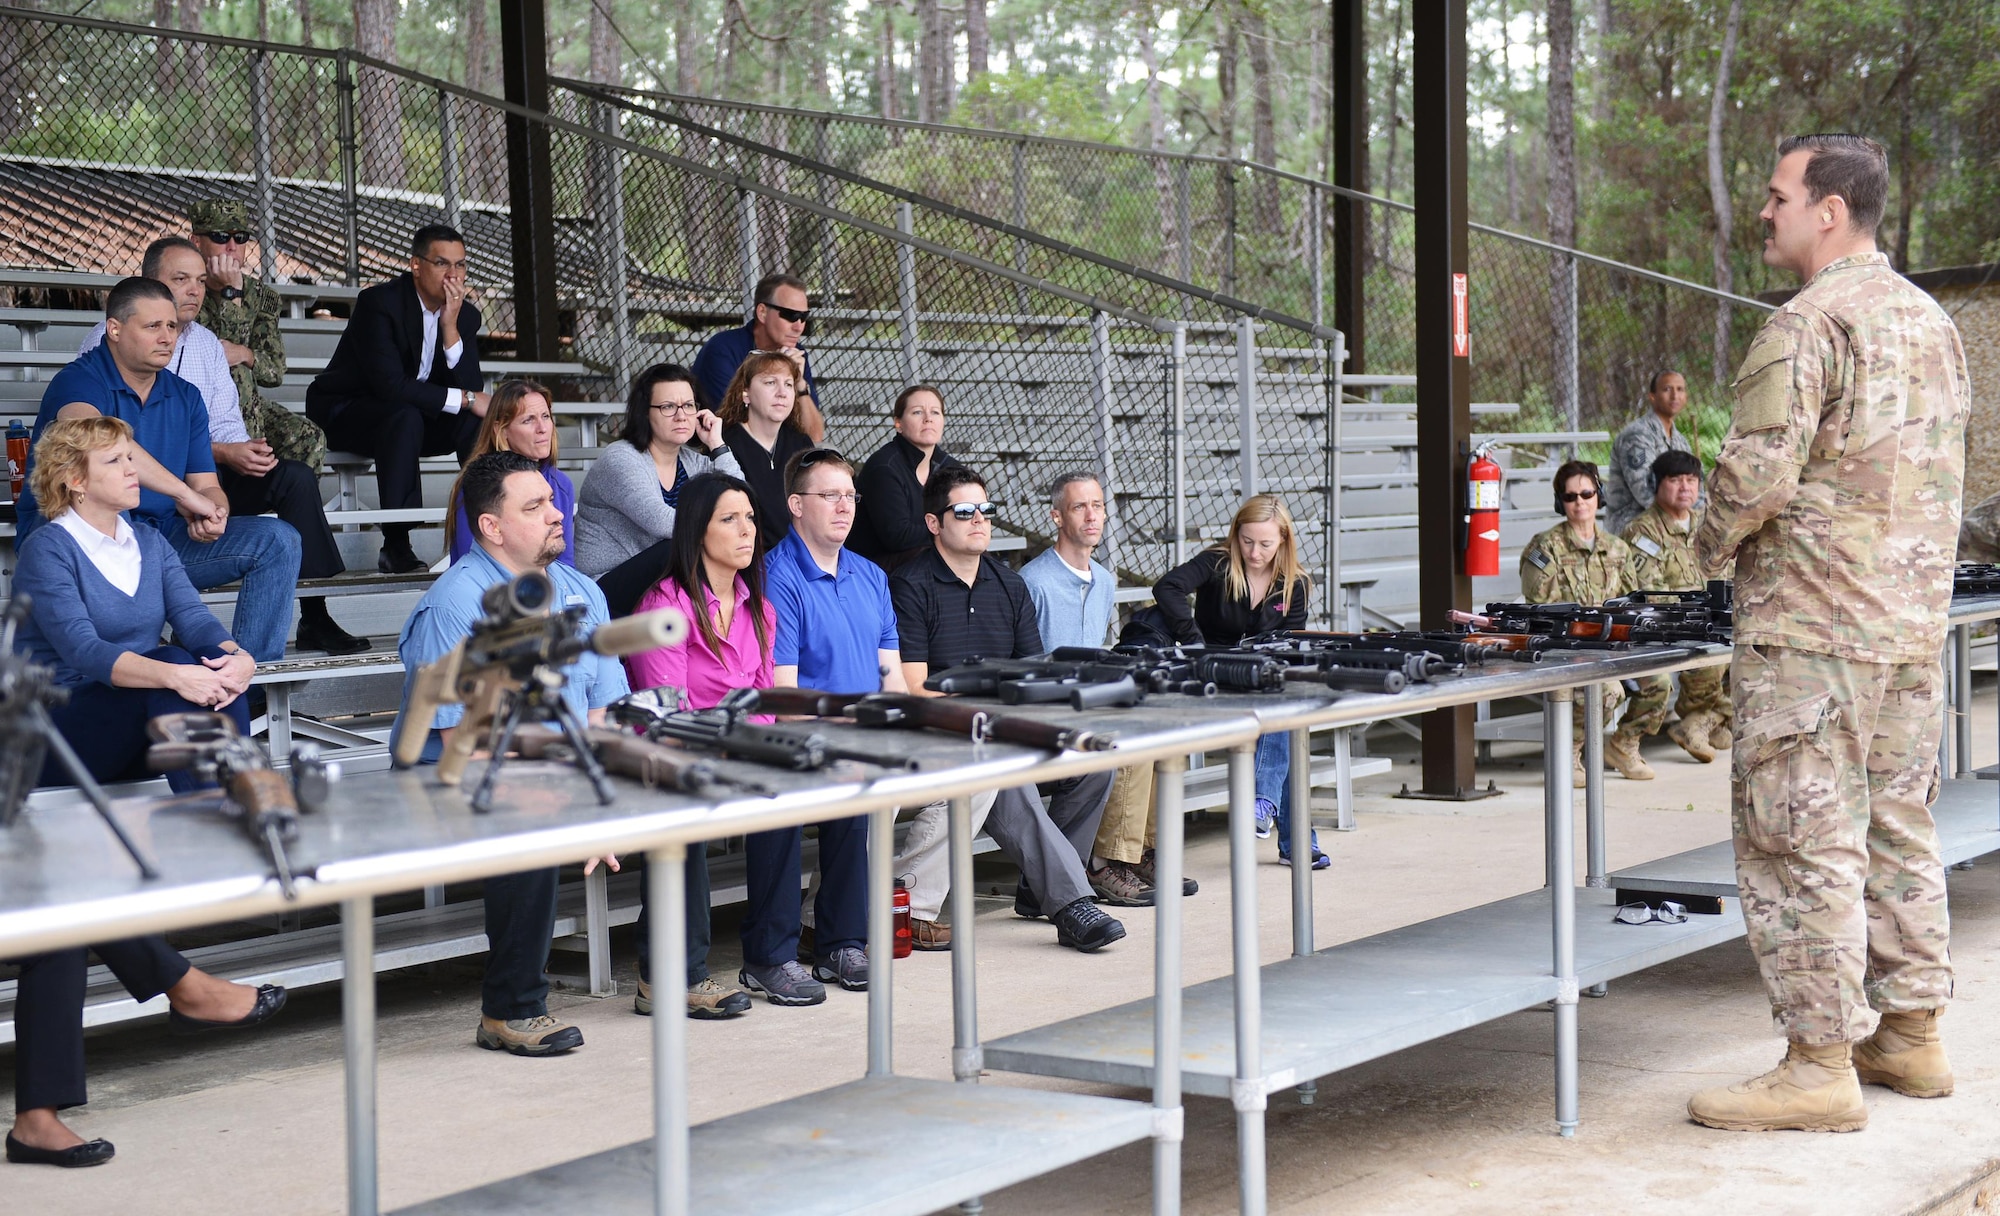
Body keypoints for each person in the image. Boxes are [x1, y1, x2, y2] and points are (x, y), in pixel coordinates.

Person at [1687, 134, 1966, 1134]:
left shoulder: (1806, 323)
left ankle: (1816, 1062)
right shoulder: (1930, 324)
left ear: (1828, 211)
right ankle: (1910, 1034)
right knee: (1895, 823)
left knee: (1797, 838)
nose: (1762, 212)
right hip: (1905, 629)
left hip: (1809, 631)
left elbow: (1755, 474)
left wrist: (1698, 552)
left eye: (1775, 196)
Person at [7, 416, 285, 1169]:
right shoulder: (47, 548)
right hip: (54, 732)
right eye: (118, 461)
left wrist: (234, 661)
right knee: (168, 675)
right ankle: (225, 813)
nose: (137, 471)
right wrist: (178, 670)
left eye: (132, 457)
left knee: (198, 672)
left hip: (128, 718)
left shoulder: (149, 542)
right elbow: (87, 655)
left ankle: (220, 809)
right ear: (75, 478)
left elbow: (195, 621)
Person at [393, 451, 628, 1056]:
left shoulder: (580, 590)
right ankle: (510, 1009)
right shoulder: (458, 602)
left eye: (552, 501)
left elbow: (600, 711)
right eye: (535, 507)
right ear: (491, 527)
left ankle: (675, 978)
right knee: (532, 818)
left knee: (676, 807)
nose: (556, 515)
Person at [79, 237, 364, 654]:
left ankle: (314, 613)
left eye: (199, 280)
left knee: (294, 478)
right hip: (136, 497)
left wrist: (241, 453)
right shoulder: (108, 345)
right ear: (147, 283)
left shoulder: (207, 345)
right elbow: (107, 443)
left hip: (203, 476)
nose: (194, 290)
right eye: (180, 279)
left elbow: (227, 421)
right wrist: (209, 467)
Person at [890, 465, 1126, 952]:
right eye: (964, 511)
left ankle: (1043, 887)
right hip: (941, 736)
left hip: (1005, 730)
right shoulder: (910, 584)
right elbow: (915, 689)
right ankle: (1069, 902)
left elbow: (1031, 676)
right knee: (1002, 776)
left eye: (986, 510)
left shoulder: (1008, 584)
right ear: (935, 523)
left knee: (1095, 766)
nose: (979, 519)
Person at [12, 277, 302, 665]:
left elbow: (207, 484)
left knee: (277, 540)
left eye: (172, 326)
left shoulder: (185, 395)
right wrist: (184, 496)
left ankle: (249, 682)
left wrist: (214, 513)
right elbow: (101, 442)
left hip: (158, 543)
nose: (167, 337)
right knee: (120, 519)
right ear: (114, 329)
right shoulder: (79, 379)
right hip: (80, 544)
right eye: (152, 326)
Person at [624, 473, 814, 1010]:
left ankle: (772, 958)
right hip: (671, 754)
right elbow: (668, 711)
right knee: (684, 819)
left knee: (788, 797)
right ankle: (670, 976)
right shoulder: (665, 606)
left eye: (750, 517)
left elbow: (761, 702)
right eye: (729, 519)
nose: (746, 529)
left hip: (733, 752)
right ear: (696, 531)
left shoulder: (760, 607)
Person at [1019, 472, 1188, 907]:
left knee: (1162, 729)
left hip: (1088, 696)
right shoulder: (1034, 581)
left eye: (1098, 505)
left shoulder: (1105, 578)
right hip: (1050, 706)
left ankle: (1140, 852)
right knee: (1120, 739)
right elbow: (1027, 660)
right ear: (1057, 516)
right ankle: (1105, 861)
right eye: (1080, 506)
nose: (1092, 515)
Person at [764, 447, 890, 985]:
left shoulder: (870, 574)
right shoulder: (778, 576)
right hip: (796, 740)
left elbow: (892, 677)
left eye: (850, 495)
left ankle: (841, 943)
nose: (845, 506)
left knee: (860, 785)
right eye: (829, 495)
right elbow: (784, 696)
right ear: (796, 504)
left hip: (857, 739)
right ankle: (771, 956)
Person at [306, 223, 490, 575]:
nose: (454, 275)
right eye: (442, 264)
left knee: (473, 419)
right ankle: (396, 543)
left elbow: (473, 388)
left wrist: (450, 328)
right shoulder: (379, 303)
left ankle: (482, 527)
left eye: (461, 265)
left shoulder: (465, 315)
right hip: (348, 410)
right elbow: (390, 385)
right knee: (406, 414)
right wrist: (466, 398)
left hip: (411, 417)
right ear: (416, 265)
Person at [1153, 494, 1323, 867]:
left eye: (1265, 543)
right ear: (1236, 535)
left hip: (1262, 675)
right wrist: (1194, 640)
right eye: (1247, 541)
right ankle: (1290, 834)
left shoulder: (1295, 582)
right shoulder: (1217, 561)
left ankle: (1266, 811)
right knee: (1285, 716)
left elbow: (1291, 641)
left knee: (1287, 712)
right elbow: (1167, 587)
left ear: (1283, 541)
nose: (1254, 552)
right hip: (1212, 671)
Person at [574, 363, 744, 615]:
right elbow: (663, 524)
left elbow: (741, 501)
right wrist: (724, 525)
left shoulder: (693, 461)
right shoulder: (621, 459)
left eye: (688, 405)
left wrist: (717, 445)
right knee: (676, 546)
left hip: (661, 582)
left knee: (740, 544)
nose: (681, 415)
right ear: (645, 413)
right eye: (668, 407)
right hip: (604, 590)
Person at [1519, 460, 1644, 786]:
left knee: (1659, 681)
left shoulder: (1617, 548)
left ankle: (1624, 746)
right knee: (1608, 691)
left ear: (1598, 495)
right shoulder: (1544, 547)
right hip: (1565, 642)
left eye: (1586, 493)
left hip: (1609, 639)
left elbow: (1631, 599)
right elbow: (1537, 605)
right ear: (1561, 502)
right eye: (1570, 496)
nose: (1579, 502)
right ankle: (1568, 753)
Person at [186, 198, 328, 470]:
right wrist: (232, 294)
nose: (232, 247)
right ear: (196, 241)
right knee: (236, 370)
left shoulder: (262, 296)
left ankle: (284, 507)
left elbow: (274, 371)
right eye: (219, 237)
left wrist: (246, 353)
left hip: (247, 404)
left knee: (309, 437)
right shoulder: (184, 287)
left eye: (240, 238)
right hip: (194, 402)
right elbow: (215, 357)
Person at [1617, 449, 1733, 762]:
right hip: (1669, 624)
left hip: (1709, 620)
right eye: (1675, 480)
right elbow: (1652, 593)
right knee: (1711, 650)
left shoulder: (1706, 524)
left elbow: (1726, 574)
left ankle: (1708, 719)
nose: (1685, 487)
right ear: (1657, 484)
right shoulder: (1643, 531)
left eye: (1691, 480)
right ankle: (1700, 719)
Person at [445, 379, 576, 567]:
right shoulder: (478, 485)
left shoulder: (562, 484)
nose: (542, 428)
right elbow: (476, 565)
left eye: (546, 416)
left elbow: (565, 563)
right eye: (528, 420)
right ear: (501, 430)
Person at [690, 271, 826, 444]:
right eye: (790, 315)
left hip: (776, 451)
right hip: (720, 452)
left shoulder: (796, 353)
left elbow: (813, 436)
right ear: (762, 312)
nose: (799, 327)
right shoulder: (723, 349)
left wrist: (799, 385)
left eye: (804, 317)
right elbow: (732, 423)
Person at [851, 384, 961, 570]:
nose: (928, 419)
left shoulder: (953, 469)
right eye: (917, 412)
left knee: (979, 558)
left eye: (935, 412)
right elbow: (898, 537)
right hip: (875, 567)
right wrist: (951, 528)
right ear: (898, 424)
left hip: (926, 557)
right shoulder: (884, 467)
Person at [718, 350, 814, 552]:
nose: (782, 392)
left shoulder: (800, 443)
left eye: (788, 384)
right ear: (746, 394)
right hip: (750, 559)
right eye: (770, 382)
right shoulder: (725, 443)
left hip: (799, 554)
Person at [1602, 370, 1704, 536]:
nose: (1674, 396)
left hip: (1673, 522)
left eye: (1680, 390)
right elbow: (1643, 491)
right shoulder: (1637, 436)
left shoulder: (1680, 441)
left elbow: (1697, 489)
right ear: (1652, 396)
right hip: (1633, 524)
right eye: (1667, 389)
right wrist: (1681, 521)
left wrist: (1698, 519)